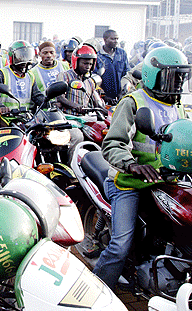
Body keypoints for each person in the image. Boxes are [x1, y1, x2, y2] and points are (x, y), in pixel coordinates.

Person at [93, 46, 192, 290]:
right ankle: (96, 291)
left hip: (167, 181)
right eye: (172, 76)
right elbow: (112, 144)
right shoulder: (133, 102)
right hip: (129, 183)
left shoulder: (178, 106)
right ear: (152, 75)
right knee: (121, 244)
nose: (177, 82)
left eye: (181, 76)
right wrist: (133, 165)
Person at [0, 40, 43, 120]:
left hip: (25, 118)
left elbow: (36, 95)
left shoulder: (30, 75)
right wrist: (0, 106)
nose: (25, 60)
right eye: (21, 57)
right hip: (4, 118)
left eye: (27, 56)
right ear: (12, 57)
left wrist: (48, 102)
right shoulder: (2, 73)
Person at [57, 44, 105, 114]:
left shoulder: (90, 81)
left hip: (85, 119)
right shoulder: (64, 76)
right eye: (85, 63)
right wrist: (75, 106)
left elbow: (97, 103)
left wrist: (111, 113)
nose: (88, 67)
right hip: (68, 117)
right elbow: (60, 98)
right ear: (76, 62)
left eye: (90, 64)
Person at [94, 29, 129, 104]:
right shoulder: (97, 55)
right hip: (103, 99)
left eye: (117, 39)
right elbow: (94, 78)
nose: (116, 41)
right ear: (105, 40)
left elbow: (126, 73)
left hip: (120, 97)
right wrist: (104, 96)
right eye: (113, 39)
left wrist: (122, 91)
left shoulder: (121, 53)